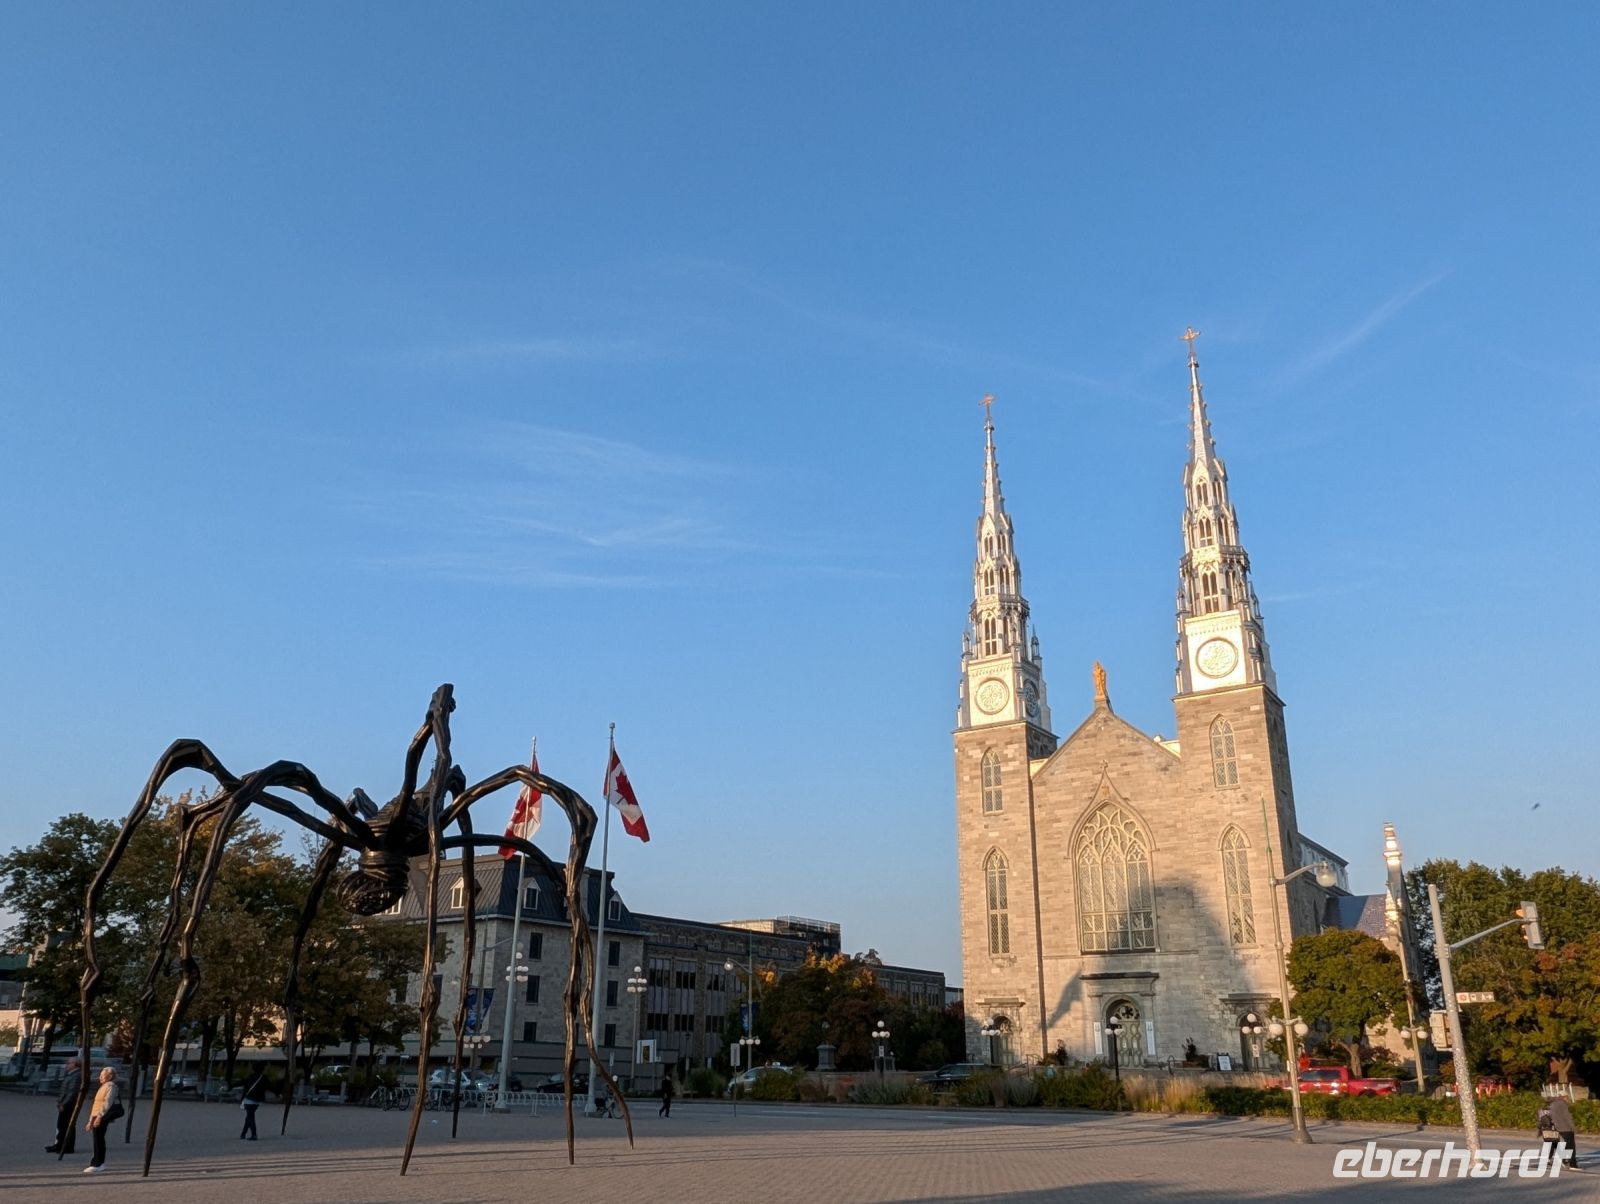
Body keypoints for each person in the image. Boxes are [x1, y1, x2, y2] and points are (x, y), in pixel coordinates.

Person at [84, 1067, 121, 1174]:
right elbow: (96, 1104)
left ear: (109, 1076)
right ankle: (97, 1161)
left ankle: (98, 1163)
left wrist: (99, 1117)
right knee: (97, 1138)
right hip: (96, 1115)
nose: (100, 1077)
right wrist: (91, 1119)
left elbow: (107, 1103)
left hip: (102, 1115)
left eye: (102, 1075)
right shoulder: (103, 1086)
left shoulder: (111, 1086)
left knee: (99, 1138)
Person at [46, 1058, 81, 1153]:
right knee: (61, 1125)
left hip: (69, 1104)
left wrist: (64, 1103)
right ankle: (59, 1144)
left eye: (69, 1063)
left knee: (66, 1125)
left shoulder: (76, 1075)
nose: (67, 1065)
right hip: (64, 1102)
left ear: (75, 1064)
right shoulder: (71, 1075)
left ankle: (67, 1146)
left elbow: (72, 1092)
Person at [1546, 1091, 1578, 1169]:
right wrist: (1573, 1127)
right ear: (1564, 1096)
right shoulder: (1562, 1104)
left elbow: (1550, 1115)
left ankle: (1565, 1159)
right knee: (1571, 1145)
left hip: (1558, 1127)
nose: (1568, 1098)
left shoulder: (1552, 1104)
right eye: (1567, 1097)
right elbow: (1567, 1117)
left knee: (1567, 1143)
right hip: (1565, 1127)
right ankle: (1571, 1163)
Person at [240, 1069, 268, 1140]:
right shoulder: (263, 1078)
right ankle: (243, 1133)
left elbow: (243, 1086)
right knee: (249, 1117)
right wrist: (277, 1093)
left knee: (250, 1117)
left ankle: (253, 1134)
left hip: (248, 1100)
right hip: (256, 1101)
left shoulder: (250, 1078)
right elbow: (269, 1087)